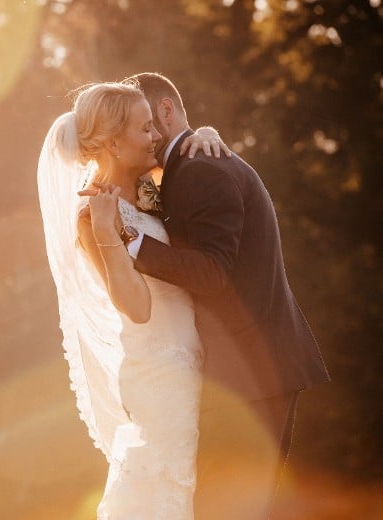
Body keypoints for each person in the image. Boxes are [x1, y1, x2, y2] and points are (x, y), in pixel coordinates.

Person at [121, 72, 331, 519]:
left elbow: (213, 272)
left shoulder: (201, 169)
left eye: (143, 122)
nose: (141, 134)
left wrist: (131, 243)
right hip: (246, 371)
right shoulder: (187, 167)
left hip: (251, 375)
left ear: (164, 110)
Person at [36, 81, 227, 519]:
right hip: (162, 377)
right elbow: (138, 307)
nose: (156, 135)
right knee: (169, 492)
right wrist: (107, 233)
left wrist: (207, 136)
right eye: (145, 128)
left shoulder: (148, 186)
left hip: (195, 364)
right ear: (114, 143)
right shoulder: (91, 216)